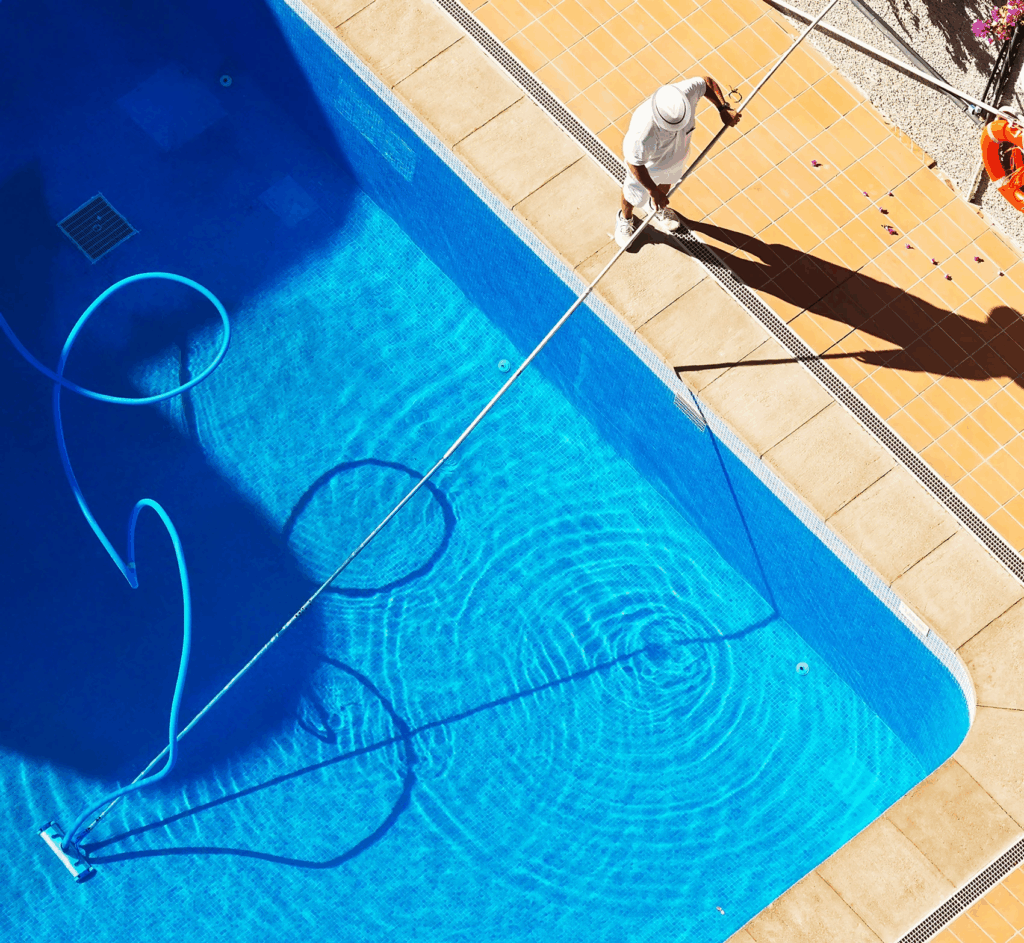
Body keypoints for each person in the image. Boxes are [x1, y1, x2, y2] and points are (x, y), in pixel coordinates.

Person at [616, 76, 741, 247]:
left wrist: (723, 108)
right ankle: (625, 218)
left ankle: (658, 208)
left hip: (677, 158)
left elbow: (706, 83)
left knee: (667, 182)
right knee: (633, 195)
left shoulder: (683, 94)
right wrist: (652, 190)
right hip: (648, 167)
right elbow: (635, 163)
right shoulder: (642, 132)